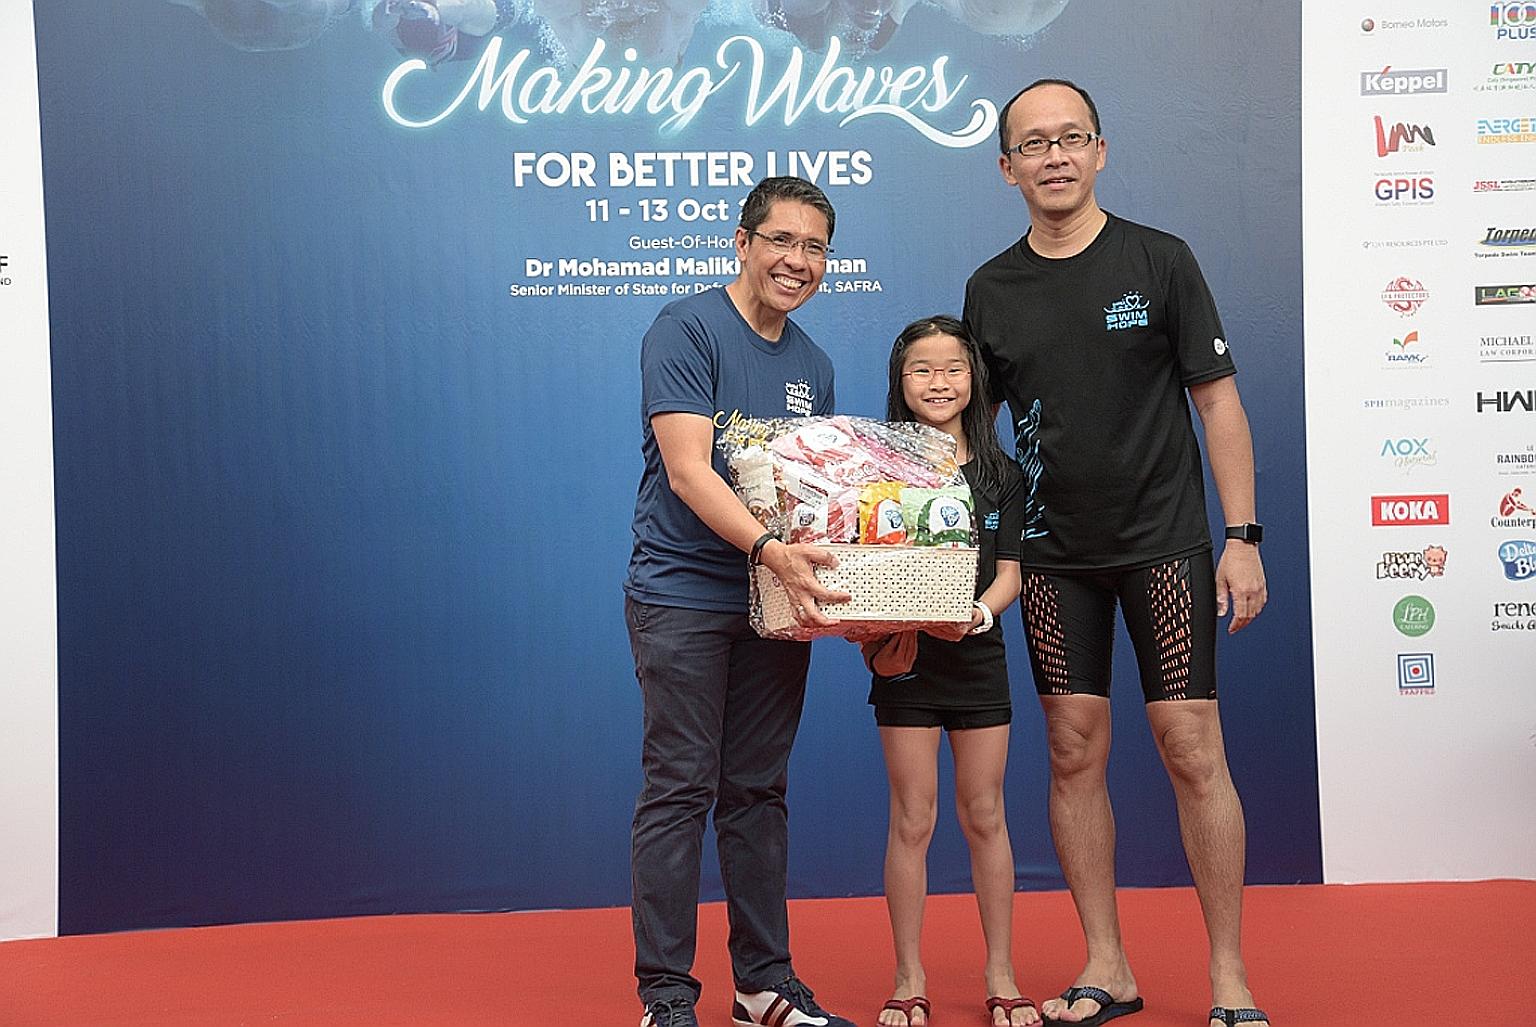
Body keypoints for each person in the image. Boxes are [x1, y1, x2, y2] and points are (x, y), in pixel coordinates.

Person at [962, 79, 1271, 1027]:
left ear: (1101, 151)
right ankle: (1109, 964)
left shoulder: (1160, 260)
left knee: (1190, 746)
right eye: (1033, 144)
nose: (1053, 156)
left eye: (1071, 138)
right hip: (1053, 557)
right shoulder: (991, 288)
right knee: (1071, 749)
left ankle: (1228, 977)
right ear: (1005, 166)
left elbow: (1217, 402)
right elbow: (970, 437)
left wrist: (1243, 536)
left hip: (1165, 543)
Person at [624, 176, 859, 1027]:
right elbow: (689, 471)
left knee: (758, 788)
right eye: (782, 241)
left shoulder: (814, 365)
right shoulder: (686, 328)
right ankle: (665, 997)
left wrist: (858, 600)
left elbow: (818, 497)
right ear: (742, 241)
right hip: (683, 593)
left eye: (816, 247)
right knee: (681, 785)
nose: (798, 261)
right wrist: (768, 551)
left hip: (777, 603)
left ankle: (763, 983)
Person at [859, 317, 1036, 1027]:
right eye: (921, 370)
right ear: (900, 382)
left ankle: (1001, 973)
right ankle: (908, 978)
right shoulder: (876, 466)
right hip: (906, 662)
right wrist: (875, 634)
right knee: (914, 817)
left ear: (975, 379)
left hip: (977, 658)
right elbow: (862, 567)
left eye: (952, 368)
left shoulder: (1001, 472)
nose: (938, 382)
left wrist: (980, 615)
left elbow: (1012, 574)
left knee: (986, 813)